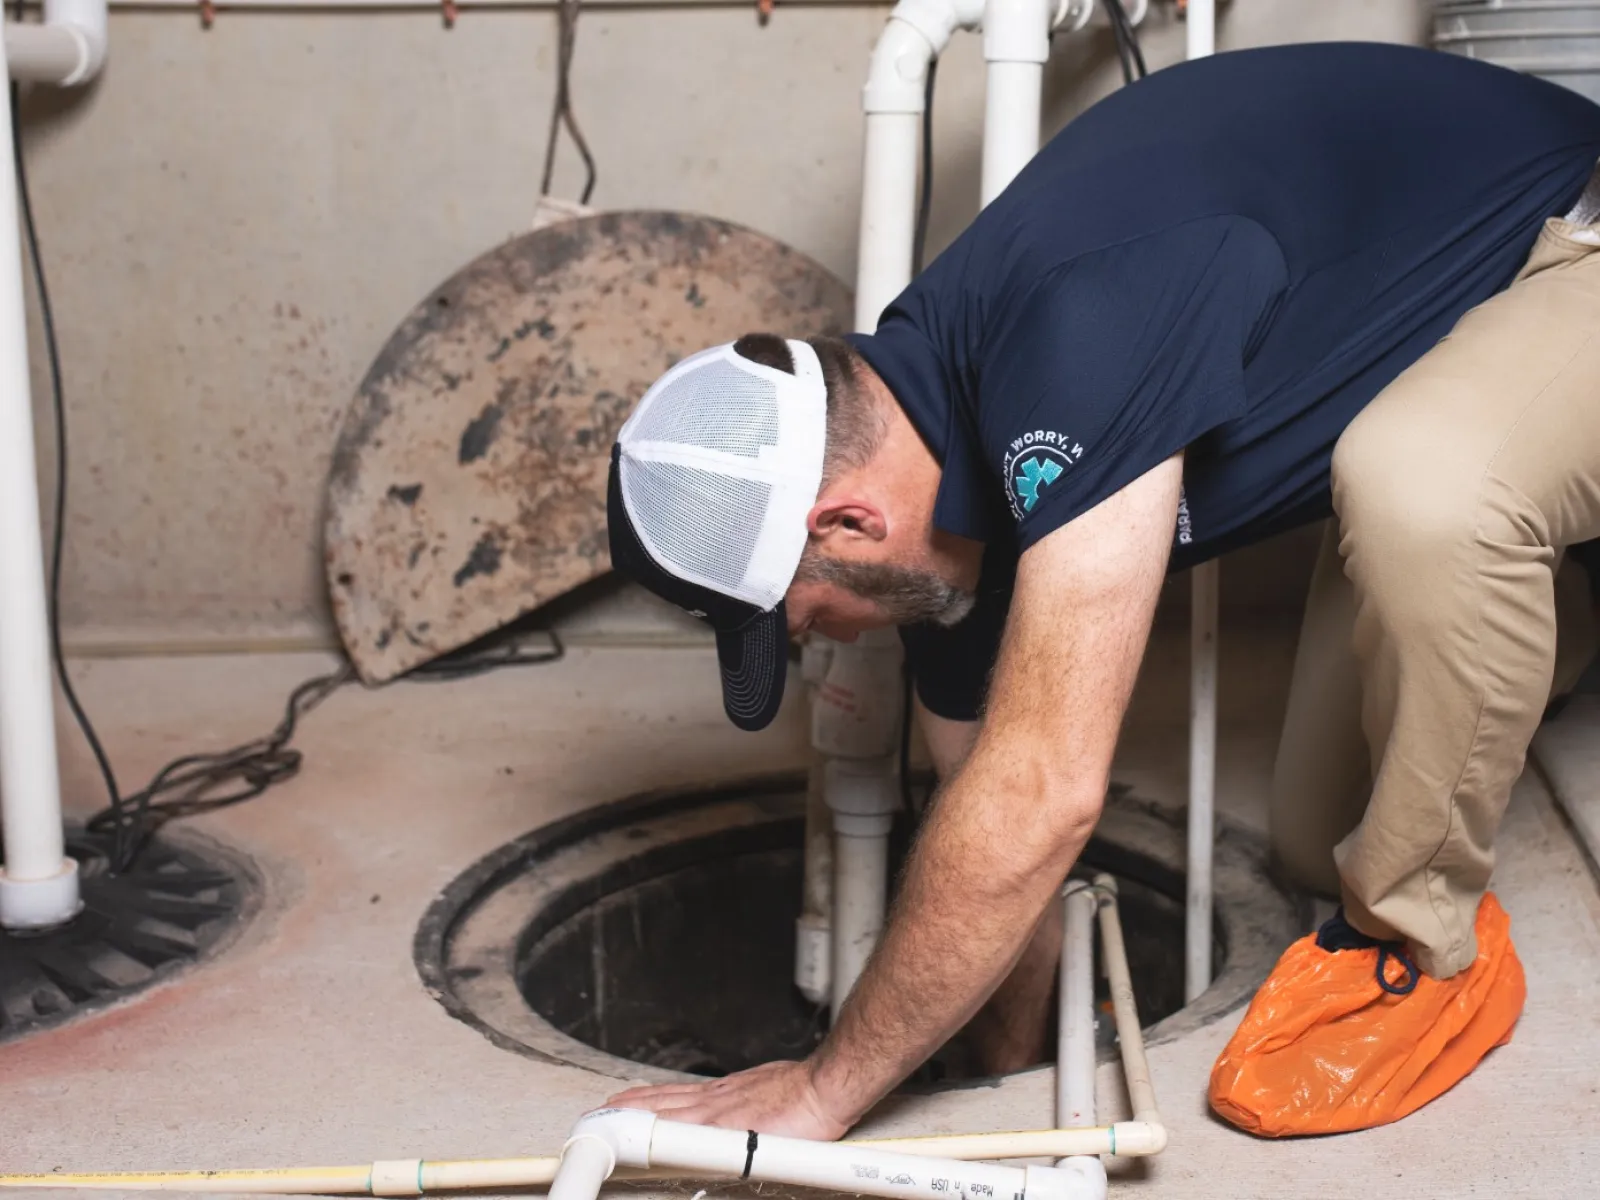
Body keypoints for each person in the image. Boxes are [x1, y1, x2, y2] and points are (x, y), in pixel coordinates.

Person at [600, 40, 1600, 1139]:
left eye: (798, 612)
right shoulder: (930, 482)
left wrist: (825, 1089)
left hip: (1571, 242)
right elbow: (986, 807)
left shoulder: (1075, 339)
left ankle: (1432, 955)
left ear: (846, 522)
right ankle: (1550, 611)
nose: (816, 639)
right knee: (1327, 841)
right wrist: (1005, 1060)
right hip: (1446, 334)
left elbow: (1042, 797)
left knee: (1423, 489)